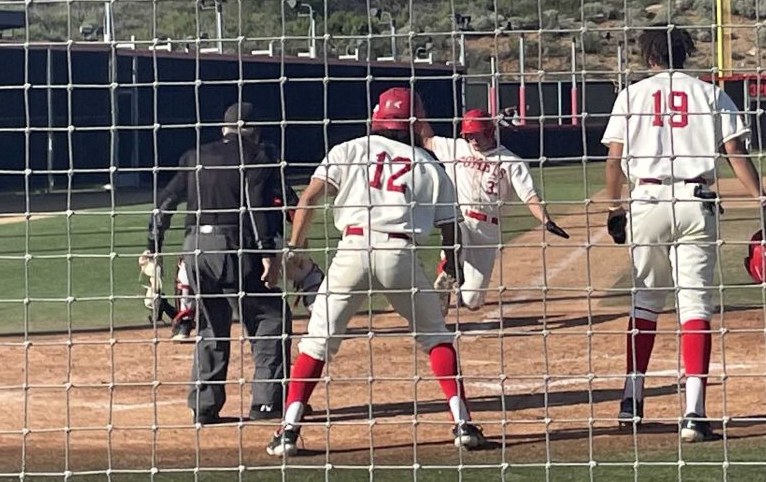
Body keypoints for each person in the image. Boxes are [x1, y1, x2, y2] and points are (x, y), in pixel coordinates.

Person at [266, 86, 487, 457]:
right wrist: (450, 267)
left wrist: (295, 247)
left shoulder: (347, 150)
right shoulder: (429, 165)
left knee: (317, 341)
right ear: (413, 124)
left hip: (352, 251)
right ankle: (463, 424)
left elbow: (308, 198)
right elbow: (451, 229)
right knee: (435, 337)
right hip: (400, 253)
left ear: (376, 115)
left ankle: (288, 431)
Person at [602, 26, 766, 443]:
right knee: (696, 304)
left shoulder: (632, 95)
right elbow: (735, 153)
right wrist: (763, 201)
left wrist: (615, 209)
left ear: (649, 56)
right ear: (685, 54)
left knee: (645, 301)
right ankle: (694, 412)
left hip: (647, 200)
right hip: (695, 200)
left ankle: (632, 400)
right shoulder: (708, 92)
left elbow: (613, 161)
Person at [145, 101, 291, 424]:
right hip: (233, 245)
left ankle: (204, 407)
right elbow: (256, 207)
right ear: (255, 131)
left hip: (194, 248)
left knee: (211, 324)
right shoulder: (258, 155)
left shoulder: (193, 157)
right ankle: (266, 404)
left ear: (224, 129)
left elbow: (164, 203)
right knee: (271, 318)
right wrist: (268, 251)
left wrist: (152, 247)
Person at [418, 109, 570, 315]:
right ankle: (448, 270)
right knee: (455, 234)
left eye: (476, 134)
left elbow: (529, 195)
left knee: (473, 301)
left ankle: (456, 280)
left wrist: (546, 220)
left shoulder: (511, 161)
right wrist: (416, 108)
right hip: (460, 217)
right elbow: (426, 139)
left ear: (490, 132)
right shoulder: (456, 148)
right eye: (468, 135)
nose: (472, 139)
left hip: (488, 230)